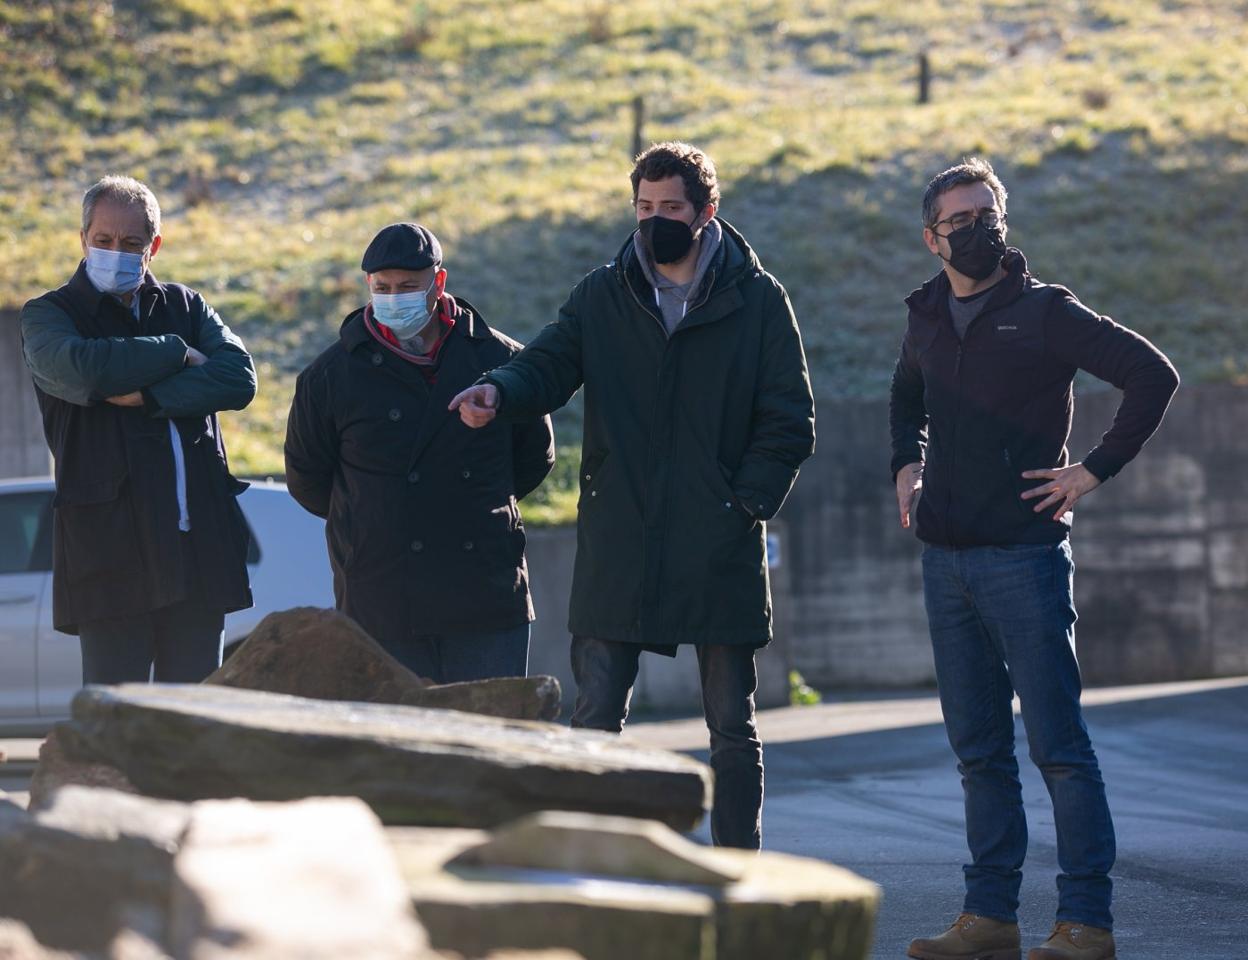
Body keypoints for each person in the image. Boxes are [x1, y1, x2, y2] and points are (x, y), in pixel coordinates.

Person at [449, 142, 816, 849]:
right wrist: (499, 389)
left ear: (707, 212)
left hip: (718, 545)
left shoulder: (760, 301)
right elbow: (550, 362)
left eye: (671, 208)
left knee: (732, 732)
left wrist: (740, 505)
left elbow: (789, 421)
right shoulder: (602, 293)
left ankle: (738, 873)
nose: (655, 222)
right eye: (644, 208)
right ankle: (594, 862)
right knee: (595, 724)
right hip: (621, 539)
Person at [891, 158, 1178, 960]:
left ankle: (1085, 923)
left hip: (1023, 560)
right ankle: (989, 918)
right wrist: (904, 464)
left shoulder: (1045, 312)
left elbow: (1153, 376)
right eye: (961, 221)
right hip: (944, 562)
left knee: (1058, 748)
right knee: (978, 752)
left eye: (989, 215)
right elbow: (903, 396)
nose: (979, 230)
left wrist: (1091, 471)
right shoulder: (924, 315)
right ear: (931, 238)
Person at [284, 223, 554, 683]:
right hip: (381, 595)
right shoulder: (331, 375)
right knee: (396, 747)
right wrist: (372, 520)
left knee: (488, 743)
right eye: (382, 288)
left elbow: (534, 457)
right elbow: (308, 479)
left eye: (408, 287)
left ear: (439, 283)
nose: (394, 298)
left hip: (483, 591)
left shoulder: (502, 359)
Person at [20, 175, 256, 684]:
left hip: (196, 554)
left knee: (193, 727)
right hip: (109, 557)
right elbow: (82, 369)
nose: (115, 253)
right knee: (115, 727)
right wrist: (175, 353)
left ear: (155, 246)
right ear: (82, 238)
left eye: (131, 244)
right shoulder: (49, 315)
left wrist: (150, 395)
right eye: (103, 241)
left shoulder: (186, 304)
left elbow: (238, 377)